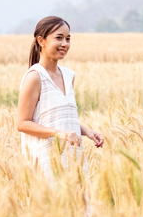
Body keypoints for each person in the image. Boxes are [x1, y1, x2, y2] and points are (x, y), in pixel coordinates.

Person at [15, 16, 104, 186]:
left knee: (79, 209)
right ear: (41, 41)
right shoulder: (35, 77)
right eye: (59, 38)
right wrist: (59, 134)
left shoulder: (69, 75)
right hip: (46, 163)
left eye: (68, 39)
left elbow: (60, 119)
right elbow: (22, 123)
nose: (65, 44)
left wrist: (87, 131)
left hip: (73, 161)